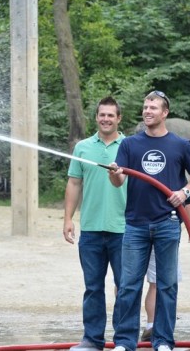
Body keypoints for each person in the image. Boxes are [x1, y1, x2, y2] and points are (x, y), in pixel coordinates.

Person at [108, 90, 190, 351]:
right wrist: (115, 173)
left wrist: (184, 192)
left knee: (167, 285)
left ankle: (163, 340)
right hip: (136, 224)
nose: (147, 111)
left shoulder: (180, 145)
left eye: (153, 107)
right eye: (145, 106)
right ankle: (125, 341)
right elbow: (118, 181)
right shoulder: (129, 145)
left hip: (168, 223)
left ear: (165, 113)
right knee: (128, 285)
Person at [63, 96, 127, 351]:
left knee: (125, 287)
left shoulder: (129, 147)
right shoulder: (83, 147)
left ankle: (123, 340)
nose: (106, 119)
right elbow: (74, 183)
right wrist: (68, 218)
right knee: (93, 287)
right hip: (90, 230)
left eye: (111, 115)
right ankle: (92, 339)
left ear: (118, 118)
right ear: (97, 117)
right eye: (102, 114)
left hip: (123, 229)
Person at [140, 198, 190, 342]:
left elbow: (189, 197)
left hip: (166, 227)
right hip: (135, 225)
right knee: (128, 282)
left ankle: (153, 326)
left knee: (158, 282)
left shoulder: (174, 175)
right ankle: (127, 327)